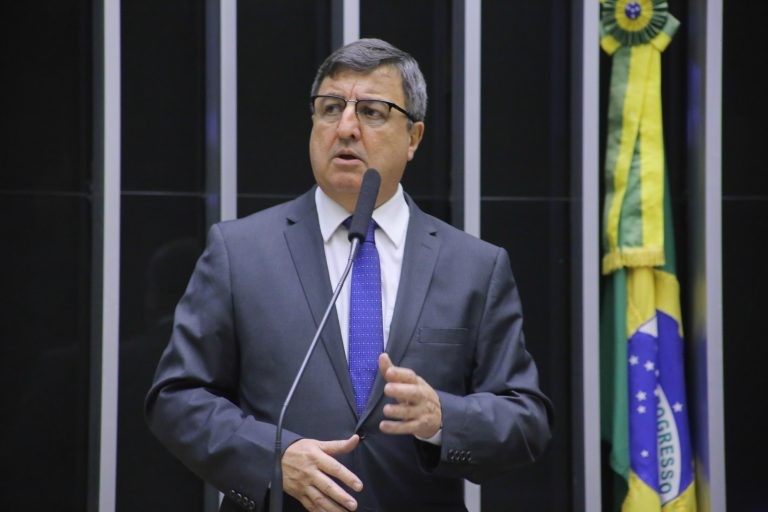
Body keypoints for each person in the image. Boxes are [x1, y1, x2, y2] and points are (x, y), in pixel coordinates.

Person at [146, 38, 553, 512]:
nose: (345, 127)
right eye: (330, 107)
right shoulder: (240, 252)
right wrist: (272, 458)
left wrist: (444, 417)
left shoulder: (474, 266)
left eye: (373, 112)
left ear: (414, 137)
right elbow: (176, 397)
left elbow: (526, 419)